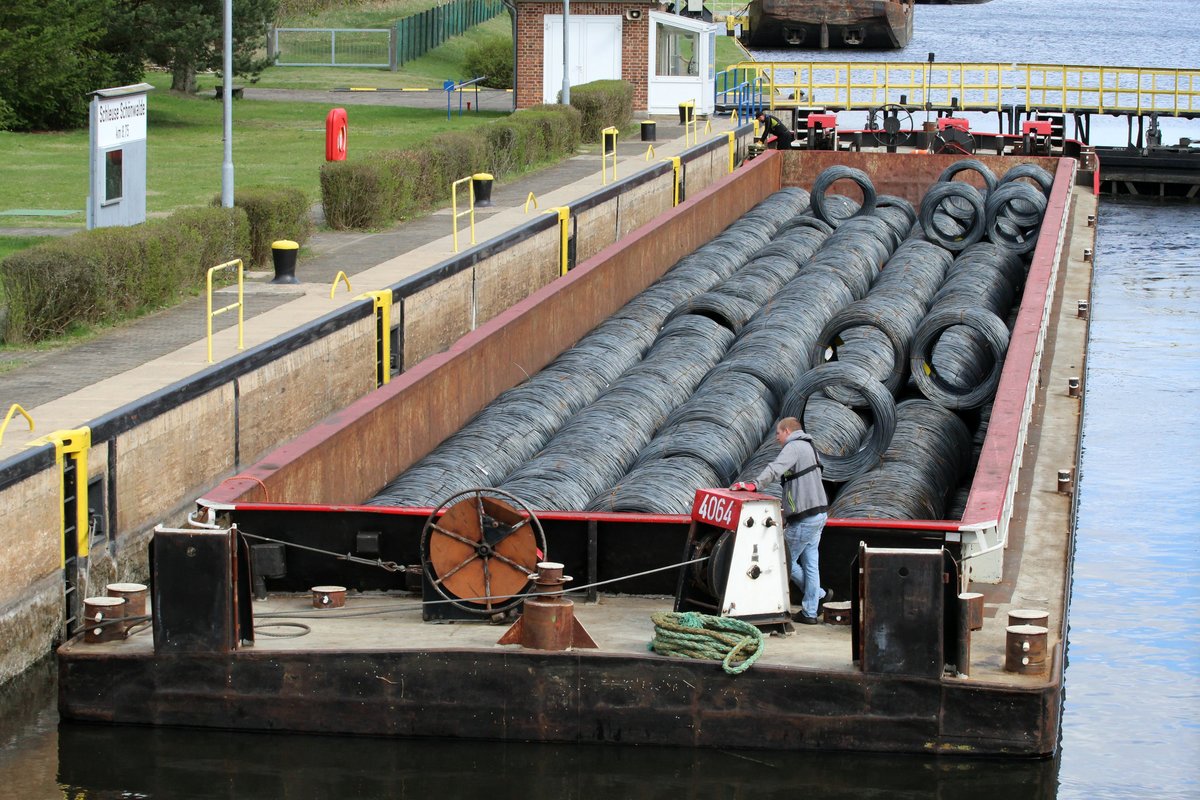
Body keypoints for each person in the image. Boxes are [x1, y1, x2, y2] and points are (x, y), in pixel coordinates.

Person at [731, 417, 829, 624]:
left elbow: (775, 469)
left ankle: (817, 595)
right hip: (819, 514)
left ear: (787, 431)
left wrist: (754, 485)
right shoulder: (810, 447)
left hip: (804, 518)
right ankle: (810, 611)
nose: (776, 438)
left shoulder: (793, 447)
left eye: (777, 433)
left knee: (781, 560)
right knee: (811, 564)